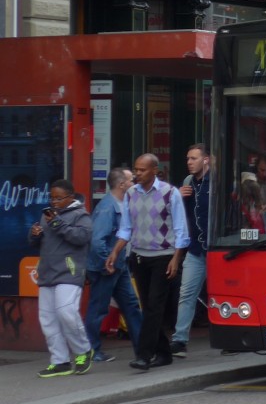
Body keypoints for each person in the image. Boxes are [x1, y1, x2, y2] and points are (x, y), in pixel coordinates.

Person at [107, 153, 189, 371]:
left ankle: (144, 355)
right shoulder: (131, 194)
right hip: (139, 257)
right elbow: (125, 228)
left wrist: (176, 258)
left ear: (155, 170)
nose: (137, 173)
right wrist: (116, 252)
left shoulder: (170, 193)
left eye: (142, 170)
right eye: (136, 169)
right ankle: (163, 353)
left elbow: (181, 230)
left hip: (163, 257)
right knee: (149, 307)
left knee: (154, 306)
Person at [30, 179, 94, 377]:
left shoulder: (80, 215)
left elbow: (81, 238)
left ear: (71, 197)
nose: (54, 201)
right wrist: (35, 235)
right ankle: (60, 361)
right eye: (52, 197)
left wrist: (57, 224)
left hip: (69, 272)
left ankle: (83, 351)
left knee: (66, 312)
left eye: (59, 198)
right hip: (48, 273)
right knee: (48, 320)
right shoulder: (47, 216)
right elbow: (34, 243)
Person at [84, 167, 142, 363]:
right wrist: (106, 262)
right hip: (107, 267)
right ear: (122, 185)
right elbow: (97, 241)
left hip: (118, 264)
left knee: (131, 306)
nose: (134, 182)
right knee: (98, 308)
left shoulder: (121, 204)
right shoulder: (107, 208)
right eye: (130, 180)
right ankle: (91, 350)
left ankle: (143, 349)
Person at [170, 144, 210, 359]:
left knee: (219, 294)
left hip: (215, 249)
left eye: (194, 158)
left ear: (206, 160)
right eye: (188, 158)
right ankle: (179, 340)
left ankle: (228, 332)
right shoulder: (187, 183)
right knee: (186, 293)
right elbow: (178, 214)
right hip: (195, 248)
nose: (189, 162)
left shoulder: (218, 181)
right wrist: (178, 196)